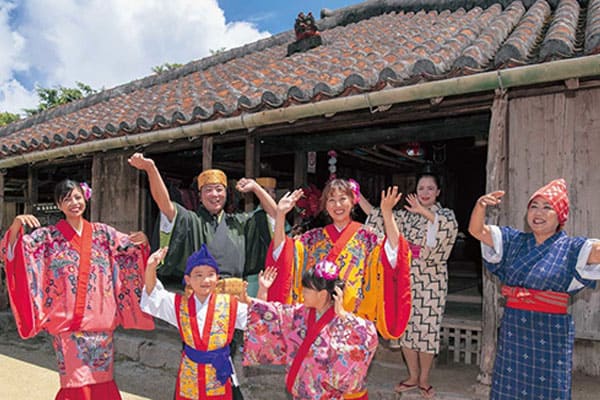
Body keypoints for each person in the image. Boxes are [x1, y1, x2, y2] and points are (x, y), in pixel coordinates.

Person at [1, 179, 154, 400]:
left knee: (102, 380)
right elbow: (14, 254)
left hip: (100, 325)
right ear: (58, 205)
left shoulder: (104, 234)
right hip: (68, 326)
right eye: (66, 199)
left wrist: (142, 242)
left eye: (77, 197)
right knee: (75, 384)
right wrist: (16, 226)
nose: (74, 203)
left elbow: (131, 251)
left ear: (85, 199)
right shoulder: (48, 238)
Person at [468, 178, 600, 400]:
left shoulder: (572, 248)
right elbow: (477, 231)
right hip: (515, 326)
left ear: (560, 216)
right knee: (509, 386)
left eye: (547, 207)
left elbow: (596, 251)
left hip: (550, 331)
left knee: (550, 387)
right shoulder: (514, 240)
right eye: (534, 206)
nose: (538, 213)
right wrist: (480, 205)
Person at [267, 178, 412, 342]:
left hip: (353, 323)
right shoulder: (313, 239)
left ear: (352, 201)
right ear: (325, 206)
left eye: (343, 199)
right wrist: (280, 216)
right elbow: (283, 255)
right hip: (316, 322)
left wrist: (387, 213)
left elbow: (395, 254)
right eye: (332, 200)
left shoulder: (368, 238)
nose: (337, 205)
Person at [360, 173, 458, 398]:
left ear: (438, 192)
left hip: (432, 279)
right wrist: (357, 197)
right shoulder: (405, 216)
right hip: (405, 277)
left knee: (427, 329)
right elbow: (378, 215)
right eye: (421, 188)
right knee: (405, 327)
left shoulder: (445, 215)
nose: (425, 193)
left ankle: (424, 379)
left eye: (430, 189)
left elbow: (447, 228)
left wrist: (423, 211)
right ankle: (412, 375)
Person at [141, 244, 273, 400]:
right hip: (190, 374)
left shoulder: (229, 304)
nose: (205, 280)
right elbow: (153, 294)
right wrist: (150, 267)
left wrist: (263, 290)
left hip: (218, 375)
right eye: (198, 275)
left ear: (217, 279)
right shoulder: (179, 305)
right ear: (188, 279)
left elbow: (255, 318)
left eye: (210, 274)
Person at [242, 260, 379, 400]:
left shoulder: (345, 322)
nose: (303, 293)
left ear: (322, 294)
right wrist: (262, 290)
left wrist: (343, 315)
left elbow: (368, 336)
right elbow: (269, 316)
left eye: (307, 290)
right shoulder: (300, 314)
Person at [128, 153, 277, 280]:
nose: (214, 194)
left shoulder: (239, 223)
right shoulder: (191, 221)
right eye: (208, 190)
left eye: (219, 189)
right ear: (199, 196)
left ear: (226, 194)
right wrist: (151, 169)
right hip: (200, 294)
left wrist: (256, 188)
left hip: (234, 295)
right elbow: (165, 205)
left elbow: (276, 215)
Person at [243, 177, 290, 297]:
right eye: (265, 192)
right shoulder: (250, 218)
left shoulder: (282, 217)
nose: (270, 195)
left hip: (278, 273)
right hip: (255, 276)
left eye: (272, 192)